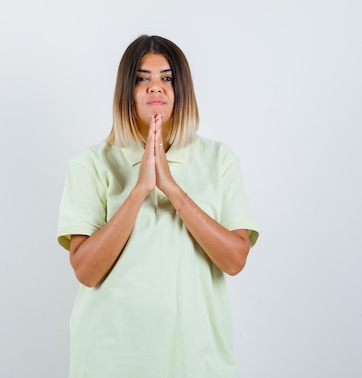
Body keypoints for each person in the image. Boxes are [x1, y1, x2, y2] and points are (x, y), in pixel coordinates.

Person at [56, 35, 259, 378]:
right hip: (109, 357)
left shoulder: (219, 159)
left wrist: (171, 188)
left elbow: (235, 259)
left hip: (196, 357)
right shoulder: (90, 164)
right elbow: (86, 271)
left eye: (166, 78)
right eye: (142, 78)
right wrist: (139, 192)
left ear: (181, 90)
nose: (155, 88)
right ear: (126, 90)